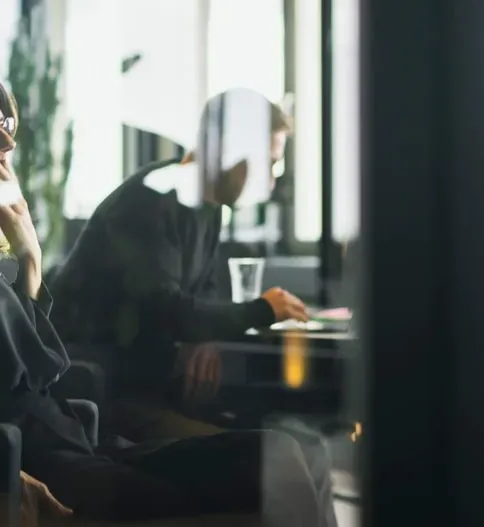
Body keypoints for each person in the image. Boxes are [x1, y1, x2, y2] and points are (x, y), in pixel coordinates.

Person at [0, 66, 336, 526]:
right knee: (274, 464)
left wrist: (29, 260)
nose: (7, 143)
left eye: (5, 125)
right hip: (44, 457)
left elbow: (40, 363)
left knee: (290, 450)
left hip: (75, 440)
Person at [49, 89, 310, 440]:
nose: (272, 180)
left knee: (302, 441)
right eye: (269, 163)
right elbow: (165, 309)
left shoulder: (208, 208)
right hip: (105, 399)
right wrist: (263, 310)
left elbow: (201, 288)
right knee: (279, 451)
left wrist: (203, 338)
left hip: (153, 387)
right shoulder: (151, 201)